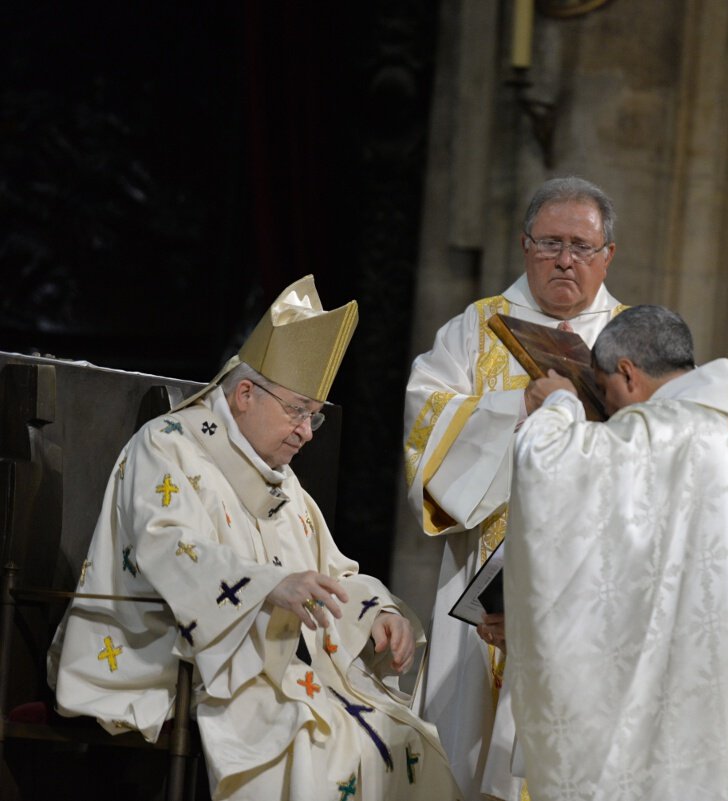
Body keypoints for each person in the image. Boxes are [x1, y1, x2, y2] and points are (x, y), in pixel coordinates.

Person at [50, 276, 458, 801]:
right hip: (175, 659)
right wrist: (268, 586)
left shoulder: (278, 477)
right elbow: (168, 548)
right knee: (317, 745)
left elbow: (329, 571)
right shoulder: (167, 447)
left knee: (407, 740)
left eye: (314, 415)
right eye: (297, 411)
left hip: (267, 663)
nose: (307, 431)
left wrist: (376, 613)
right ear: (245, 394)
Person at [505, 305, 728, 800]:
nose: (608, 412)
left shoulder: (668, 431)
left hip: (680, 705)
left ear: (626, 373)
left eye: (605, 397)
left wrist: (559, 407)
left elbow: (552, 471)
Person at [402, 176, 625, 800]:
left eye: (582, 246)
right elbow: (427, 428)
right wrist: (516, 407)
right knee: (468, 760)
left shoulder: (631, 342)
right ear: (524, 245)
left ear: (608, 255)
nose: (565, 259)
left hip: (588, 595)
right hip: (482, 587)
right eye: (551, 242)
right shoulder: (473, 331)